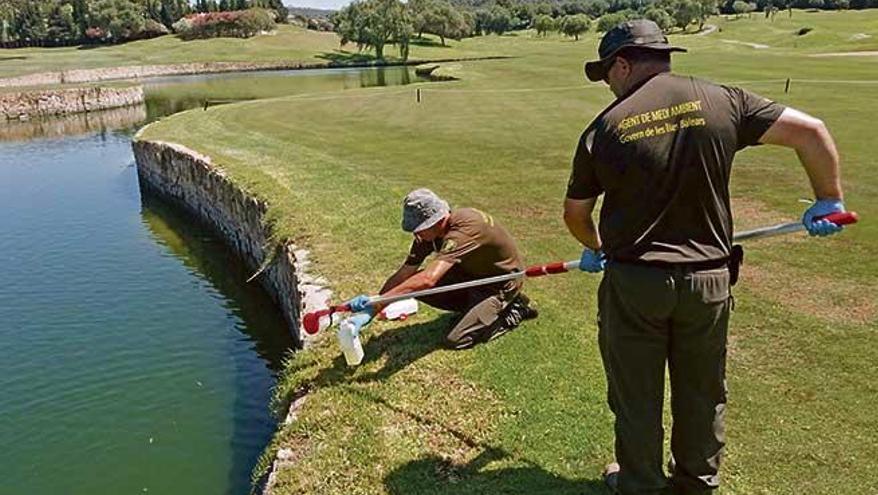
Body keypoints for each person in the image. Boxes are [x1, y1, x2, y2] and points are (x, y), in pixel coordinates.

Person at [563, 19, 847, 495]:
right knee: (702, 390)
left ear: (624, 64)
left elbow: (576, 213)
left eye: (607, 74)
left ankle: (640, 484)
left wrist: (594, 249)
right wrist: (829, 197)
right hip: (709, 282)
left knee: (637, 394)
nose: (608, 86)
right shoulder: (724, 100)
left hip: (636, 285)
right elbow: (811, 131)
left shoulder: (603, 130)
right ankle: (696, 484)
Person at [348, 188, 538, 349]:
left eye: (419, 228)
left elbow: (428, 279)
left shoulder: (466, 228)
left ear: (435, 221)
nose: (416, 234)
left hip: (498, 284)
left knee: (456, 339)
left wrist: (378, 302)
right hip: (472, 274)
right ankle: (474, 311)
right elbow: (405, 274)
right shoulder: (428, 235)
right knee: (412, 285)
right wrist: (372, 309)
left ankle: (515, 309)